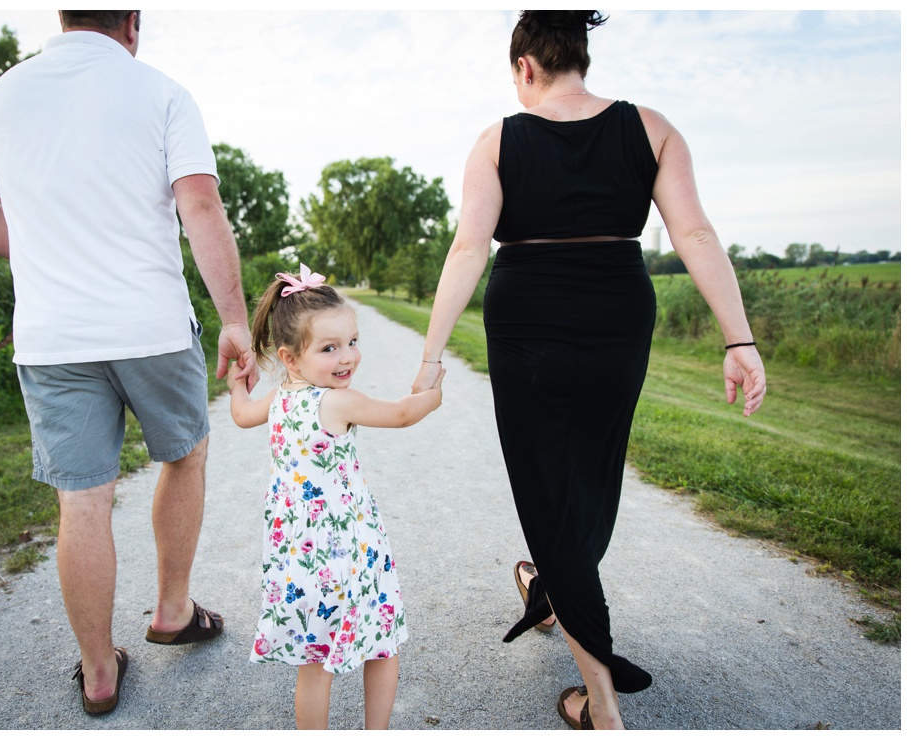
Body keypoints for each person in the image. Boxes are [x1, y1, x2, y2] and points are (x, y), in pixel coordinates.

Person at [411, 10, 766, 731]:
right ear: (579, 57)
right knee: (591, 477)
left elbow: (468, 250)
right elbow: (693, 231)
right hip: (617, 314)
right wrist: (739, 340)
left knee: (547, 488)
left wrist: (430, 354)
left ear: (525, 68)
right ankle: (550, 582)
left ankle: (601, 703)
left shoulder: (498, 140)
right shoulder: (652, 128)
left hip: (527, 318)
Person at [0, 10, 258, 716]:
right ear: (132, 23)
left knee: (81, 498)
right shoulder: (162, 93)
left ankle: (98, 671)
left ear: (62, 16)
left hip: (55, 336)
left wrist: (46, 259)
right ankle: (173, 609)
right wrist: (234, 321)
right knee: (184, 455)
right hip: (150, 325)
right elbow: (200, 204)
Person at [227, 265, 444, 730]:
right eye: (329, 348)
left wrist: (234, 384)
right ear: (289, 356)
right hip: (351, 551)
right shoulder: (335, 402)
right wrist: (432, 393)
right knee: (381, 645)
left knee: (314, 666)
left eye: (352, 341)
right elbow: (403, 415)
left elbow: (243, 415)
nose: (347, 357)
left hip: (298, 558)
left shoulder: (281, 397)